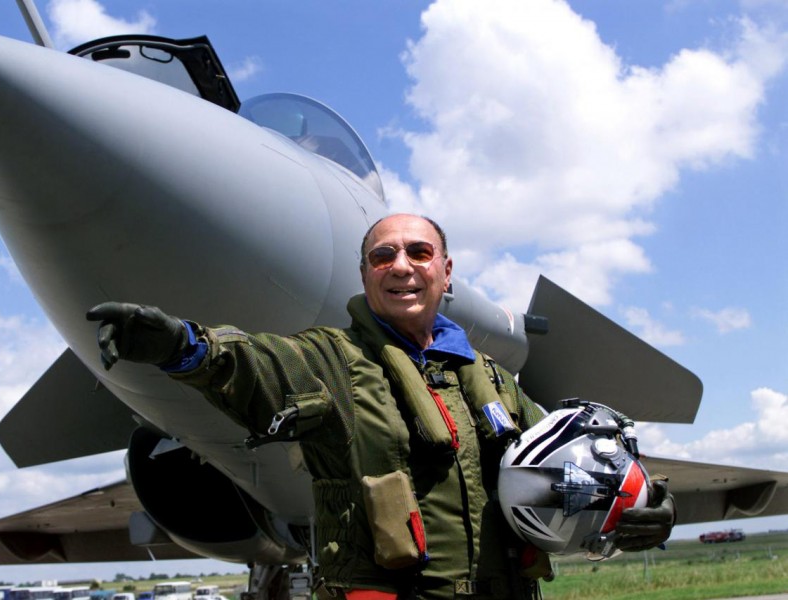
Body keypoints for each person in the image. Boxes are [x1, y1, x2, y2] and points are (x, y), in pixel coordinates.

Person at [87, 214, 675, 600]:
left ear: (445, 274)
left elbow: (576, 473)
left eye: (419, 252)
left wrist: (645, 509)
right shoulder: (330, 361)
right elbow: (255, 366)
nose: (401, 265)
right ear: (366, 275)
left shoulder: (493, 382)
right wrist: (183, 346)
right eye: (382, 255)